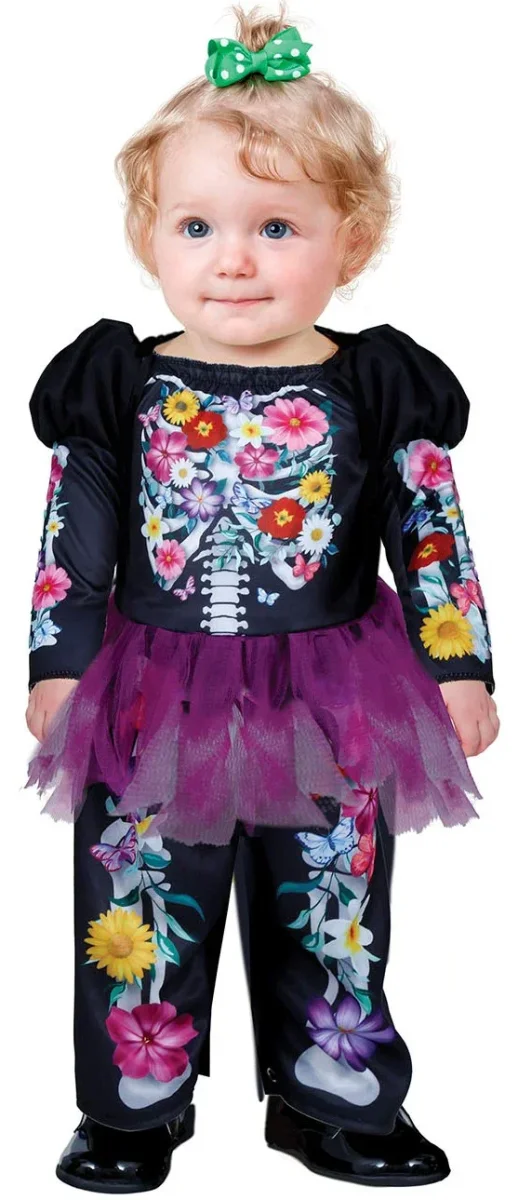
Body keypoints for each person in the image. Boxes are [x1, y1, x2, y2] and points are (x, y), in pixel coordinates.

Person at [24, 3, 499, 1192]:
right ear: (147, 234)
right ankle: (132, 1102)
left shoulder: (373, 385)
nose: (231, 259)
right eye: (197, 226)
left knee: (329, 891)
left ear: (353, 238)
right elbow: (75, 534)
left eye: (275, 226)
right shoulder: (119, 385)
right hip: (152, 688)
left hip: (332, 689)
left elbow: (426, 529)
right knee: (139, 886)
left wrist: (457, 666)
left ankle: (331, 1093)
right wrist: (56, 659)